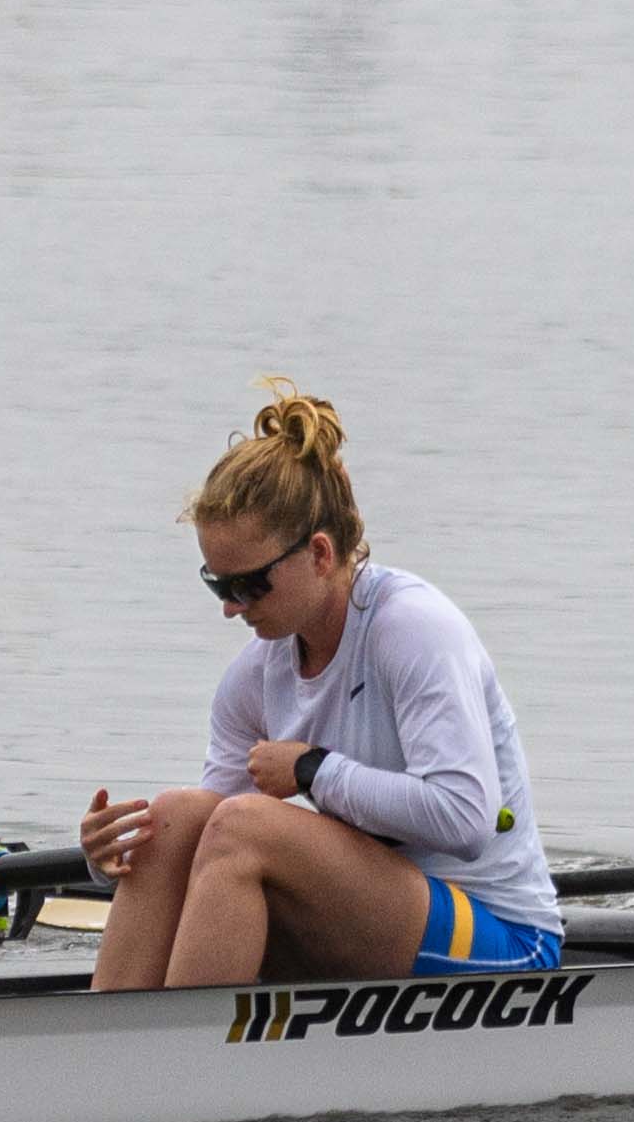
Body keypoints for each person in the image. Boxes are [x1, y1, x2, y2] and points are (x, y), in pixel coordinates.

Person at [84, 390, 560, 990]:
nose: (232, 608)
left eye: (250, 583)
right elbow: (199, 843)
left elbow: (466, 818)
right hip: (372, 918)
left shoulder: (412, 629)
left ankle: (184, 1067)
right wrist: (112, 861)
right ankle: (109, 1059)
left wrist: (314, 770)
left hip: (503, 937)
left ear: (319, 553)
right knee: (175, 819)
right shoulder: (252, 678)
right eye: (217, 584)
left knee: (245, 828)